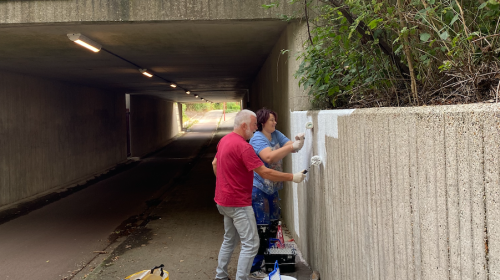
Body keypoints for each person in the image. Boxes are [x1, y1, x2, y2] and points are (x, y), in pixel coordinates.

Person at [212, 109, 306, 280]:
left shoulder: (224, 141)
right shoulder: (244, 147)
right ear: (244, 125)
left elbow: (214, 164)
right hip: (238, 203)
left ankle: (221, 276)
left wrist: (225, 185)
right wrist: (293, 177)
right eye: (254, 125)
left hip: (223, 201)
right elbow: (265, 172)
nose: (256, 128)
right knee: (251, 243)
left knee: (230, 240)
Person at [248, 108, 305, 278]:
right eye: (271, 120)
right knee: (262, 229)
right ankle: (253, 267)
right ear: (262, 122)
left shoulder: (276, 134)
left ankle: (266, 262)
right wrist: (291, 148)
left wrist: (297, 143)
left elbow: (289, 147)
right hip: (259, 189)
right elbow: (269, 158)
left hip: (273, 189)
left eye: (275, 120)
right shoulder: (257, 138)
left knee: (273, 226)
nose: (274, 123)